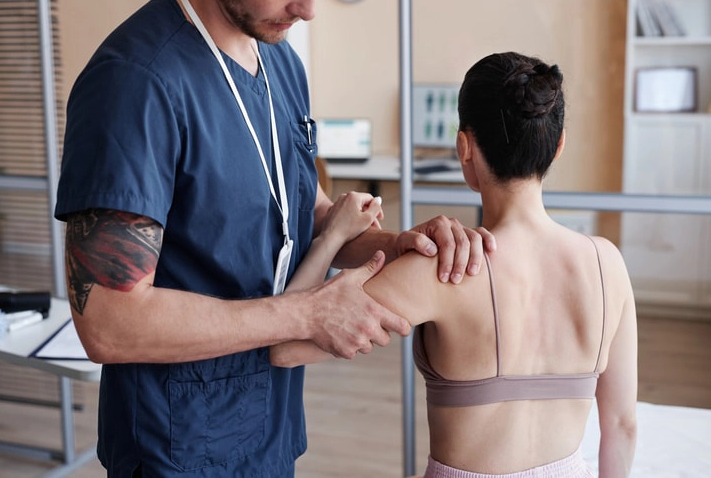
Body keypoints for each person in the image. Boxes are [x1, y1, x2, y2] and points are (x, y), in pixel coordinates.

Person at [53, 0, 495, 476]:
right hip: (178, 441)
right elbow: (109, 323)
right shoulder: (134, 84)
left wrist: (398, 246)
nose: (307, 9)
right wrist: (307, 314)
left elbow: (305, 212)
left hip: (271, 427)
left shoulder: (279, 62)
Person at [273, 51, 638, 477]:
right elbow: (622, 426)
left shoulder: (443, 270)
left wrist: (331, 234)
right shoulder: (607, 264)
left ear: (464, 149)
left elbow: (286, 348)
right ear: (557, 147)